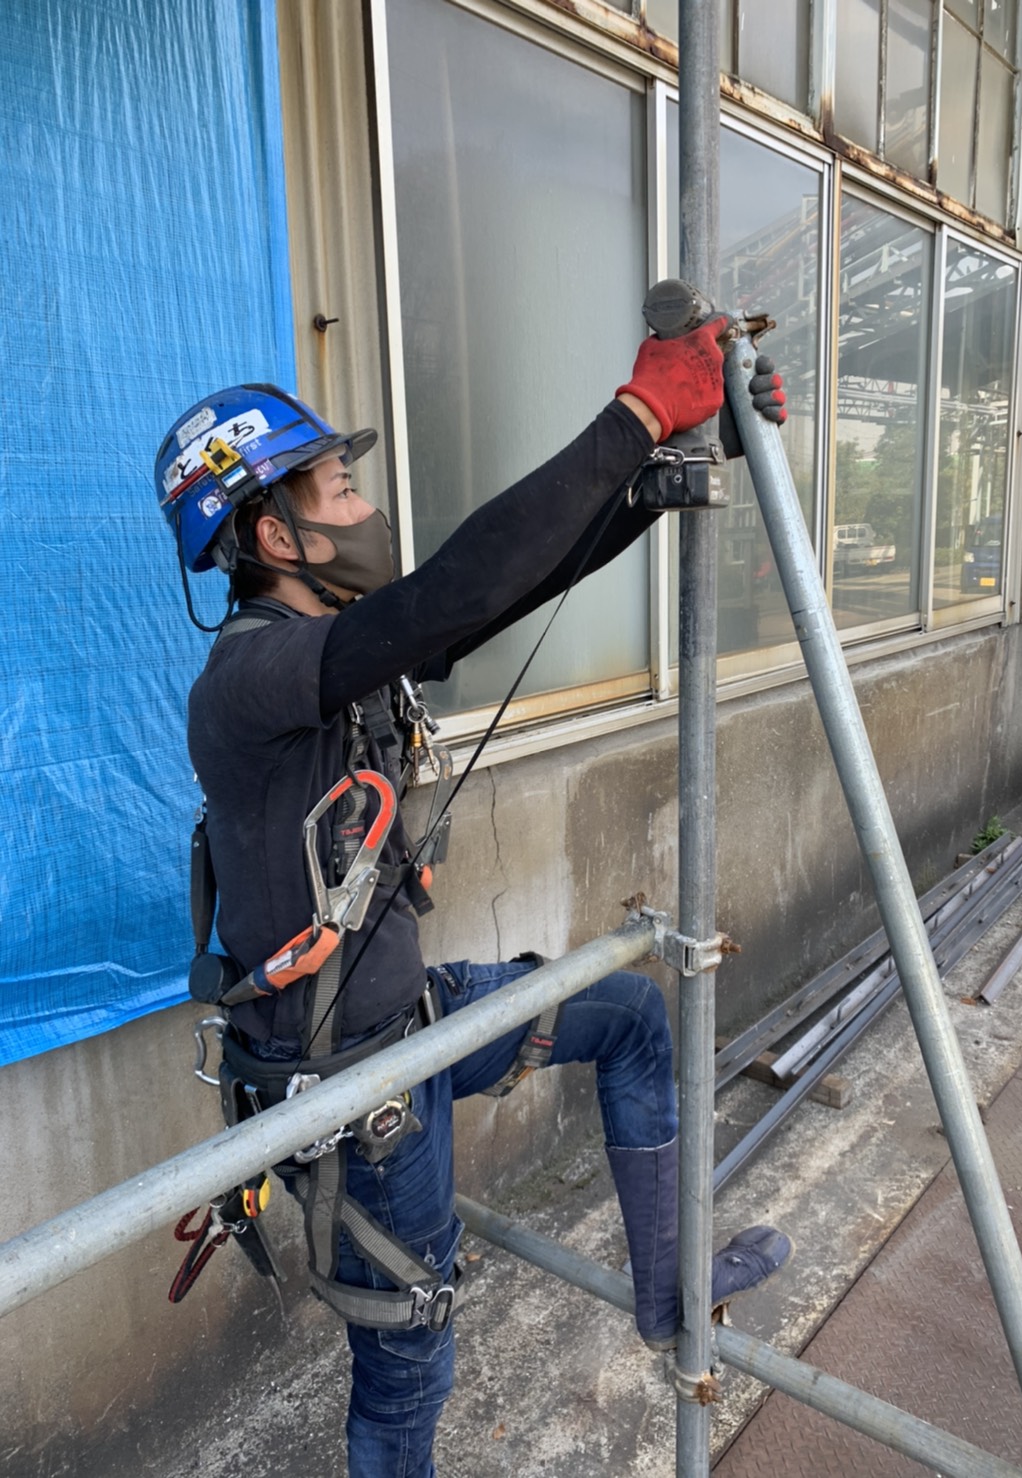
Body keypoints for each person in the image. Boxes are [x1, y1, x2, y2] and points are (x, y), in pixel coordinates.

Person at [154, 315, 791, 1478]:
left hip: (414, 1023)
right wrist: (633, 415)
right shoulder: (249, 677)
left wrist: (665, 468)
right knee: (408, 1369)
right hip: (355, 1093)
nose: (366, 509)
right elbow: (451, 592)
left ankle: (667, 1292)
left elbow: (501, 585)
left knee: (631, 1016)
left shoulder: (336, 649)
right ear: (273, 532)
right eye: (341, 490)